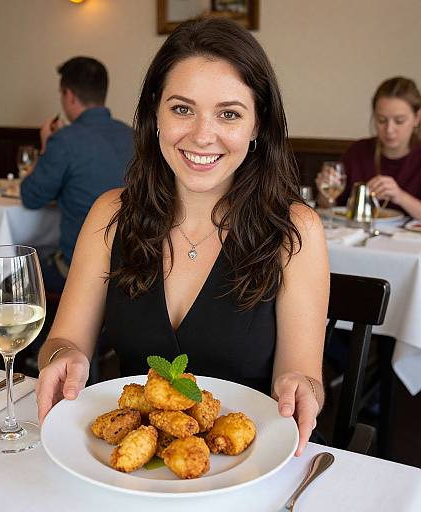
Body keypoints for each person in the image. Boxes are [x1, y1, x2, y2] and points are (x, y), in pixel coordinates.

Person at [36, 18, 329, 457]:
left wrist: (299, 387)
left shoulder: (295, 230)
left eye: (228, 113)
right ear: (155, 113)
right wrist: (62, 357)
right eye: (182, 109)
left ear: (258, 126)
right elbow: (64, 342)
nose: (201, 135)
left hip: (253, 467)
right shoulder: (111, 214)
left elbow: (305, 375)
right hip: (135, 472)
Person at [20, 57, 134, 293]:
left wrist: (47, 146)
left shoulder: (65, 140)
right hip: (131, 266)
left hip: (80, 270)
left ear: (69, 95)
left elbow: (31, 197)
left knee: (13, 273)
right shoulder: (133, 136)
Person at [318, 77, 421, 218]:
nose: (389, 129)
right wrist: (325, 191)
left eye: (399, 121)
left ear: (417, 118)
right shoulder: (358, 152)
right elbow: (327, 207)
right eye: (381, 120)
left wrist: (400, 196)